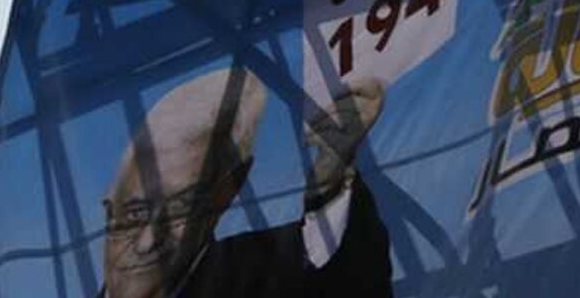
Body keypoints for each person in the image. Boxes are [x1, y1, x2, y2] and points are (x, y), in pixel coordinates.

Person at [96, 68, 392, 297]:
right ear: (109, 207)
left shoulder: (265, 270)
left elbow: (345, 280)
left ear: (227, 192)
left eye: (181, 208)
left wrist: (329, 178)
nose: (148, 242)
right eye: (136, 213)